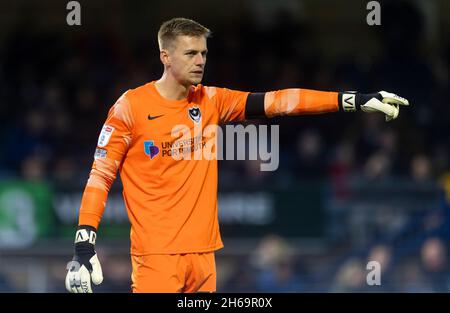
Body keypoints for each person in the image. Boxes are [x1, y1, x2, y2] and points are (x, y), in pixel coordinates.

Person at [65, 17, 409, 293]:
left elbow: (279, 102)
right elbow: (100, 176)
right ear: (165, 57)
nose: (200, 61)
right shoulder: (130, 108)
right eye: (190, 54)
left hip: (204, 257)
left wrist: (351, 99)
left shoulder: (211, 100)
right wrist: (84, 242)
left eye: (203, 53)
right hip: (157, 258)